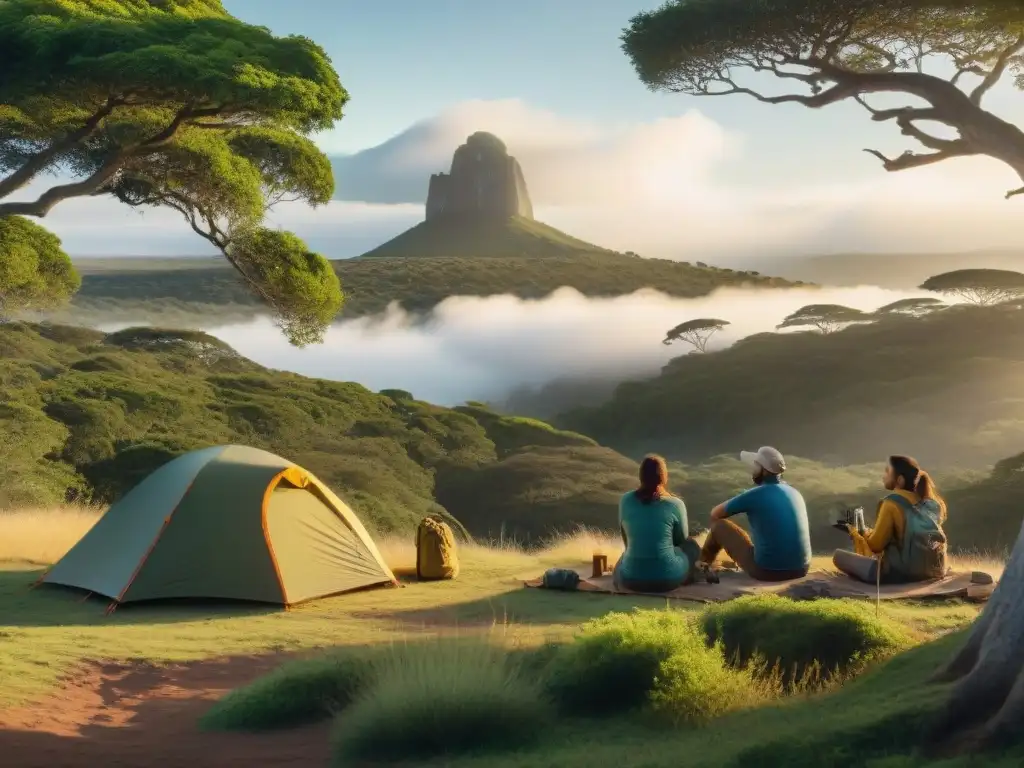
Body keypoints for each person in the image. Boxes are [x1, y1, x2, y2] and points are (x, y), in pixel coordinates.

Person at [699, 446, 811, 581]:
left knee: (719, 526)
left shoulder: (754, 495)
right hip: (802, 568)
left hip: (767, 571)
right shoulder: (795, 493)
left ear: (761, 469)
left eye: (754, 465)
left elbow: (715, 513)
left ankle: (702, 566)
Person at [833, 455, 949, 584]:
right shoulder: (929, 503)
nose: (883, 476)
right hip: (934, 572)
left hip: (902, 574)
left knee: (839, 557)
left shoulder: (891, 503)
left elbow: (876, 545)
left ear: (899, 480)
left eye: (887, 472)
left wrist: (857, 533)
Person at [612, 454, 701, 592]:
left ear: (641, 476)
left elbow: (626, 540)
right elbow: (681, 540)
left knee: (623, 558)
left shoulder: (625, 500)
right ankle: (694, 573)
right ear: (664, 477)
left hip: (631, 580)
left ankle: (626, 573)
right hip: (667, 579)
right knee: (691, 547)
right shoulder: (676, 504)